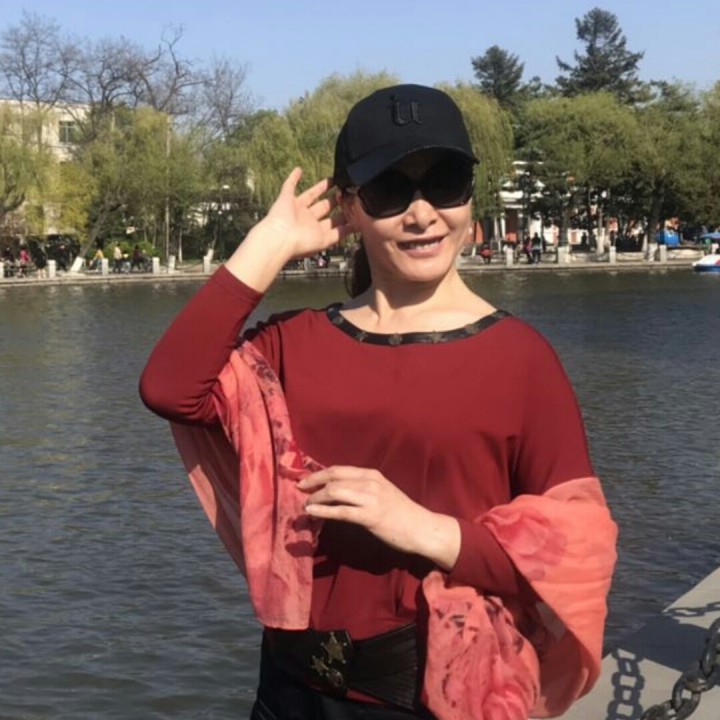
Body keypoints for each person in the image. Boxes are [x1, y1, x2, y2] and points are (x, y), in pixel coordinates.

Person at [140, 84, 616, 720]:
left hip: (438, 699)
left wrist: (426, 529)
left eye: (444, 184)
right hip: (288, 695)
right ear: (350, 208)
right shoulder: (291, 343)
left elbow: (576, 557)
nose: (421, 214)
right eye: (390, 190)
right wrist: (270, 242)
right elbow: (170, 387)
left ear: (470, 199)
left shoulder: (521, 358)